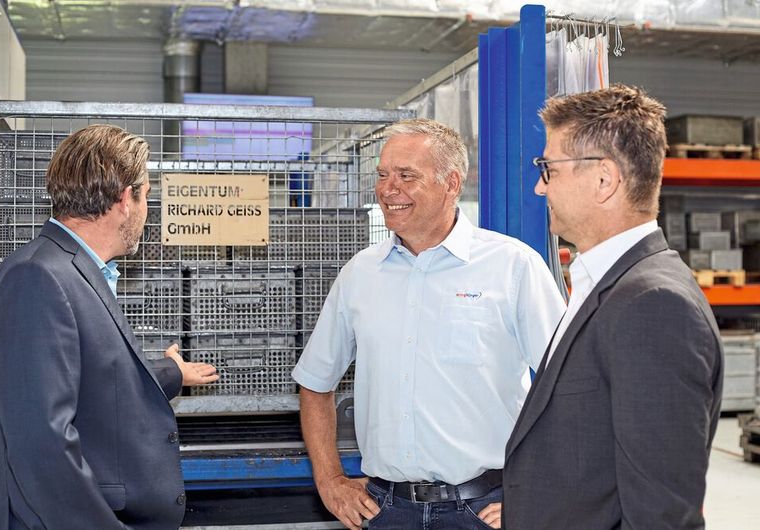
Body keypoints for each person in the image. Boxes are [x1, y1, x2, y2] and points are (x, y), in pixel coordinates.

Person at [292, 118, 564, 530]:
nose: (388, 189)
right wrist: (329, 480)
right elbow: (314, 382)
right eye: (383, 175)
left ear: (451, 183)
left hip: (485, 510)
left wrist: (541, 492)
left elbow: (570, 388)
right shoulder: (360, 274)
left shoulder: (513, 267)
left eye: (406, 176)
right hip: (386, 511)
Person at [503, 85, 723, 529]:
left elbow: (662, 515)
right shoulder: (608, 284)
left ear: (604, 180)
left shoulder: (653, 306)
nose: (539, 186)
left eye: (549, 169)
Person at [0, 124, 219, 529]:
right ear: (126, 199)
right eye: (147, 197)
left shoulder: (76, 271)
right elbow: (44, 447)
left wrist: (171, 373)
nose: (147, 211)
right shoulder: (38, 278)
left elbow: (96, 382)